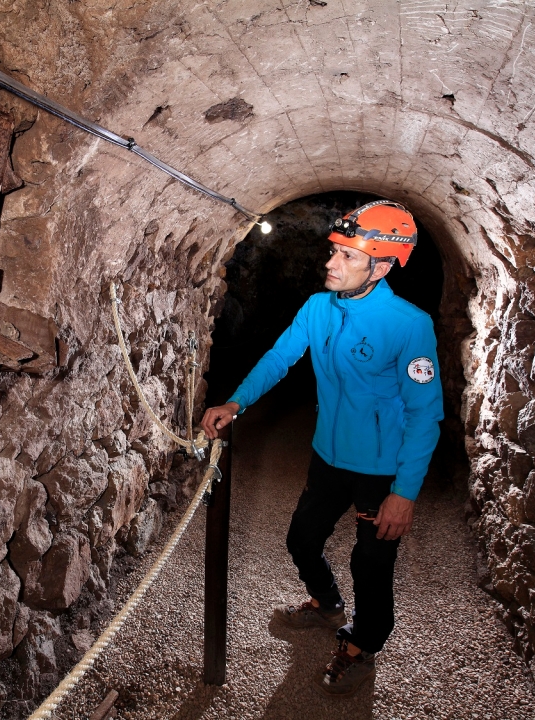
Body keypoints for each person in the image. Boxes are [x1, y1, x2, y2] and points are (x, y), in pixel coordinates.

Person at [200, 200, 443, 697]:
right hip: (329, 455)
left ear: (382, 264)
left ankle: (361, 644)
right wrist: (236, 402)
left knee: (371, 566)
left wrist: (405, 493)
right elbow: (279, 358)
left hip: (382, 469)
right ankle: (327, 603)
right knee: (301, 540)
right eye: (334, 251)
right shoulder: (317, 307)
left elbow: (425, 414)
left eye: (348, 256)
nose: (331, 264)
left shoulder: (408, 324)